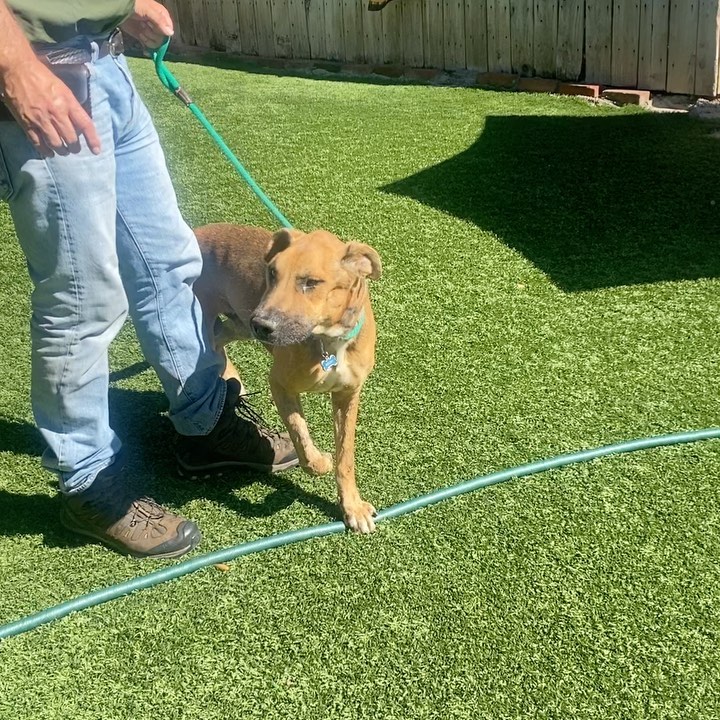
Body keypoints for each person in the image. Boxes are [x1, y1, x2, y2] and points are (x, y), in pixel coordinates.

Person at [0, 0, 298, 559]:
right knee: (83, 300)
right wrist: (14, 67)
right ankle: (88, 481)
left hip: (107, 63)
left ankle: (205, 425)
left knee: (172, 262)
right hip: (38, 71)